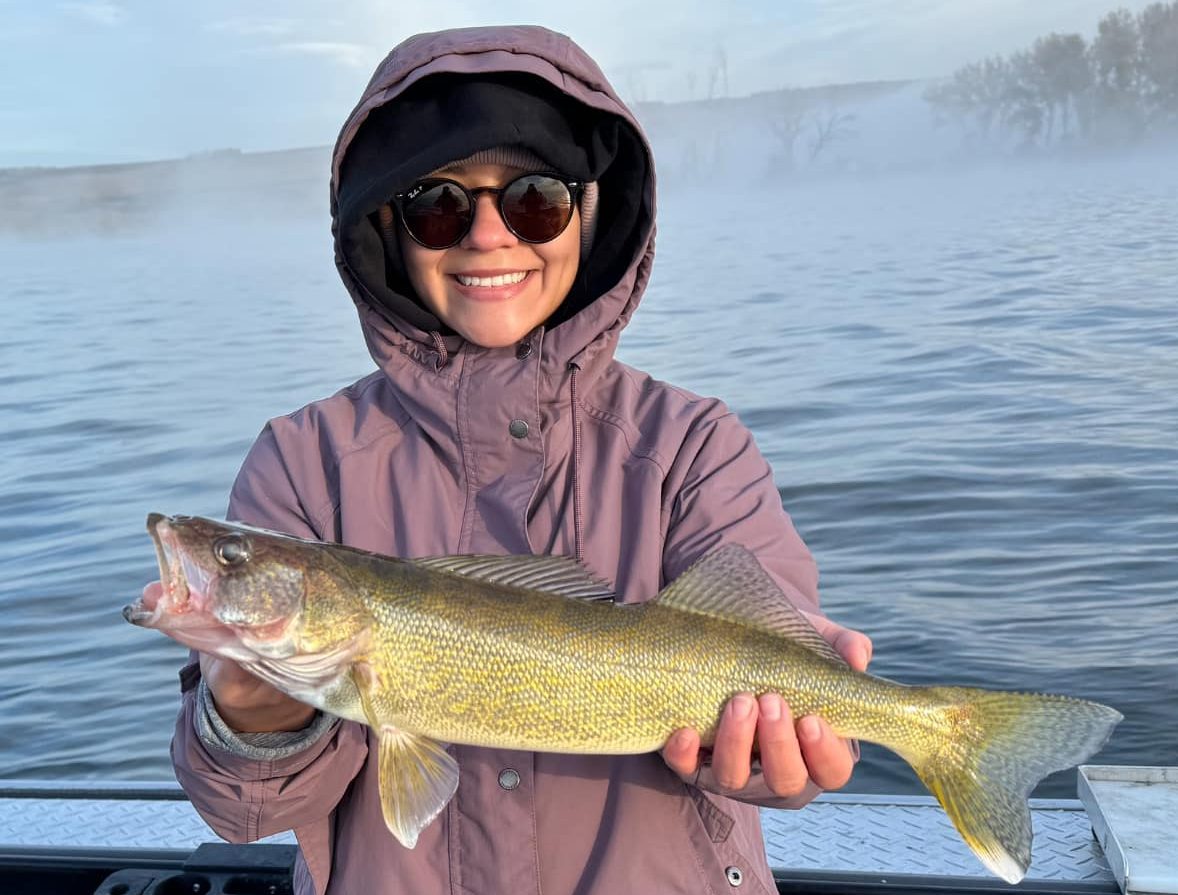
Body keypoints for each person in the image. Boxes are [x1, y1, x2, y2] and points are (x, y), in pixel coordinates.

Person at [170, 24, 873, 895]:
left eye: (535, 199)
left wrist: (776, 756)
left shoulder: (694, 445)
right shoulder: (303, 462)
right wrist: (249, 718)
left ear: (592, 212)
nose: (490, 238)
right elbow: (245, 811)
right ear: (386, 227)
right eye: (439, 204)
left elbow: (778, 754)